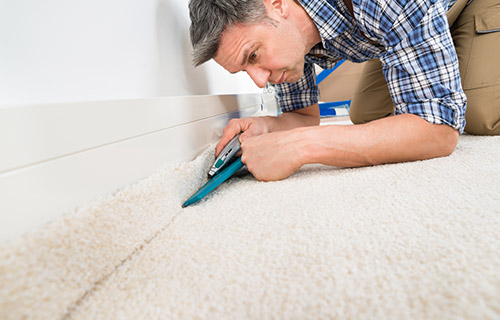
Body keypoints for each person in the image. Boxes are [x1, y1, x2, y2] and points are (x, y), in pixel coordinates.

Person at [188, 0, 500, 181]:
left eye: (253, 56)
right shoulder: (291, 36)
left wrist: (302, 146)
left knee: (479, 114)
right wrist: (266, 126)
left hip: (469, 4)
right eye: (244, 70)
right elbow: (303, 116)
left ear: (277, 4)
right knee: (366, 116)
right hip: (406, 28)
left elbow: (439, 131)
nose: (259, 80)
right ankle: (437, 58)